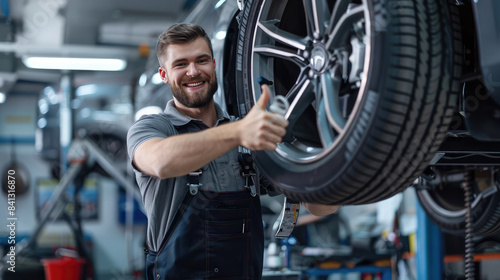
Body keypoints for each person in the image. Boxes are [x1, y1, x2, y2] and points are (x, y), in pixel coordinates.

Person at [127, 23, 339, 280]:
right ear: (164, 74)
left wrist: (326, 159)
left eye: (201, 60)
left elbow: (320, 208)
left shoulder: (248, 135)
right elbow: (161, 161)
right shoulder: (152, 128)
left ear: (214, 65)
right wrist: (239, 131)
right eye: (180, 64)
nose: (193, 71)